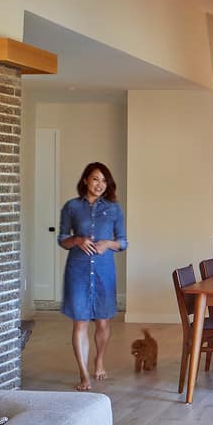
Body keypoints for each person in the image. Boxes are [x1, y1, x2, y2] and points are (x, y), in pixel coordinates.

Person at [58, 162, 127, 391]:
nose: (100, 184)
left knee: (103, 321)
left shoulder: (114, 209)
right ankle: (84, 374)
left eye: (104, 181)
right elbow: (62, 239)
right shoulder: (71, 207)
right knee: (80, 322)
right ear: (86, 180)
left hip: (104, 271)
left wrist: (108, 243)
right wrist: (78, 240)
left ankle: (99, 360)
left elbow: (123, 242)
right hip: (77, 270)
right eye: (96, 179)